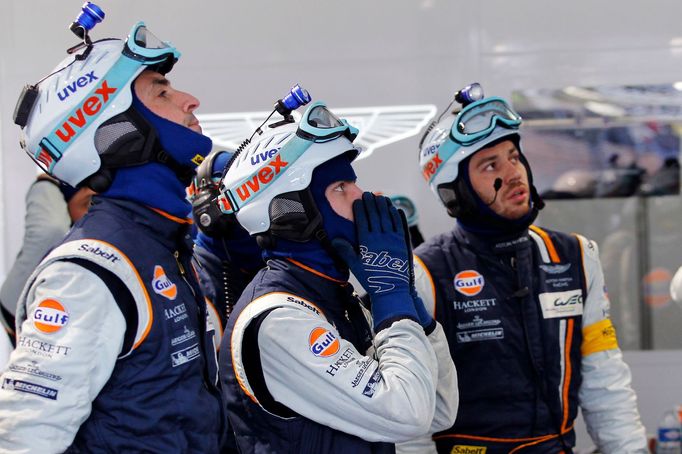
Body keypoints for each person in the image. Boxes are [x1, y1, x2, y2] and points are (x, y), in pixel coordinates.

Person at [0, 20, 224, 452]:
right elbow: (22, 440)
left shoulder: (158, 245)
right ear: (118, 129)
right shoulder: (87, 273)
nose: (189, 100)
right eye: (161, 91)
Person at [413, 85, 648, 453]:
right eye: (491, 165)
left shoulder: (576, 256)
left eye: (514, 157)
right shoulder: (424, 273)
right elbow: (410, 422)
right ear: (454, 189)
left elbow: (606, 381)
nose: (514, 173)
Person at [218, 101, 458, 453]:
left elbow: (438, 410)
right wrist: (390, 296)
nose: (362, 197)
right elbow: (409, 414)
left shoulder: (335, 299)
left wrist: (408, 302)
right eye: (341, 188)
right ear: (295, 213)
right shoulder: (277, 320)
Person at [0, 175, 94, 342]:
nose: (91, 214)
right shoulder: (57, 233)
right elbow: (51, 231)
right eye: (87, 204)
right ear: (64, 205)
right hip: (17, 305)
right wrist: (49, 184)